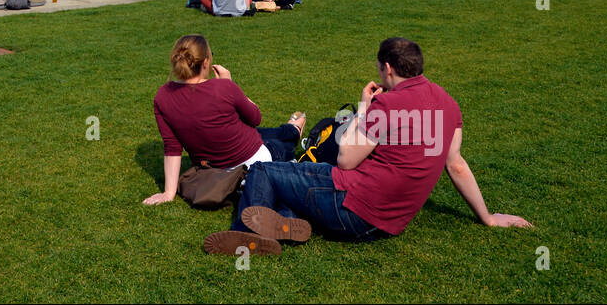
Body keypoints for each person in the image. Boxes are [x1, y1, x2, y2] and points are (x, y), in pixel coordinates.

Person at [203, 37, 532, 255]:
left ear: (387, 68)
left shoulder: (387, 105)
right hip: (389, 224)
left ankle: (247, 234)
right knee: (293, 181)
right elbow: (455, 164)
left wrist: (363, 108)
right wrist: (487, 217)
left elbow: (346, 160)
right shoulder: (448, 103)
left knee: (263, 170)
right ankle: (285, 222)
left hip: (352, 209)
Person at [144, 34, 305, 206]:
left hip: (213, 169)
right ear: (205, 62)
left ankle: (289, 128)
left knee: (267, 133)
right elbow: (255, 117)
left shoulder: (163, 96)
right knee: (282, 144)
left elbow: (172, 146)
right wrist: (230, 83)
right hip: (255, 159)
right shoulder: (223, 87)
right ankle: (294, 130)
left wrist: (169, 192)